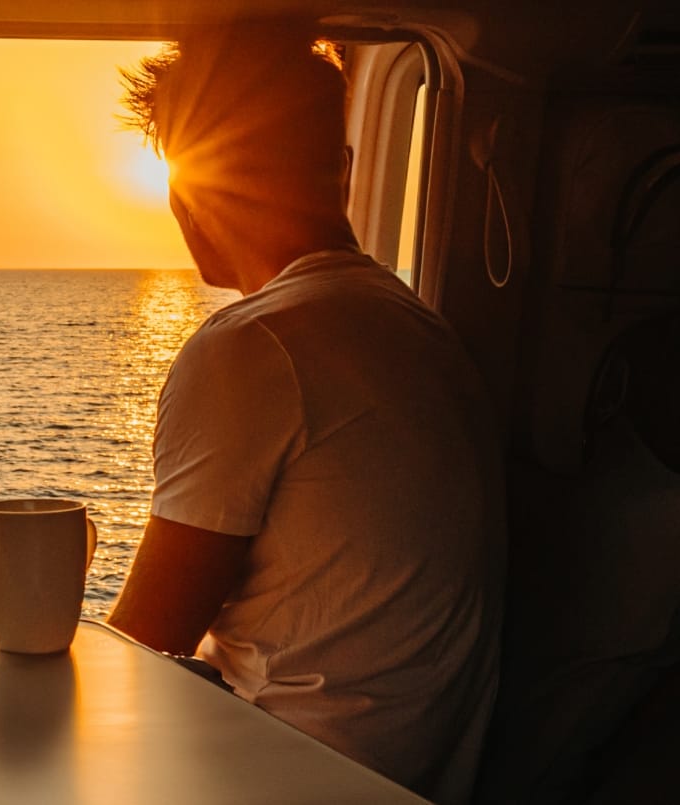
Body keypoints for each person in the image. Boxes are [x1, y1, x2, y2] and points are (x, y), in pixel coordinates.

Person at [105, 26, 506, 805]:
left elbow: (137, 649)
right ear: (344, 169)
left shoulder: (251, 347)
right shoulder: (421, 327)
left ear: (187, 194)